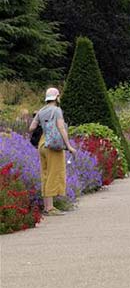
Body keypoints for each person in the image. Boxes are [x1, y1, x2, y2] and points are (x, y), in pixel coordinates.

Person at [28, 88, 77, 216]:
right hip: (53, 145)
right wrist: (69, 146)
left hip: (42, 145)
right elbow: (61, 128)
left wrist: (44, 125)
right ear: (56, 97)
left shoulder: (41, 111)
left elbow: (31, 128)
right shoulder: (57, 110)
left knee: (45, 174)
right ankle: (50, 208)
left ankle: (47, 206)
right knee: (53, 174)